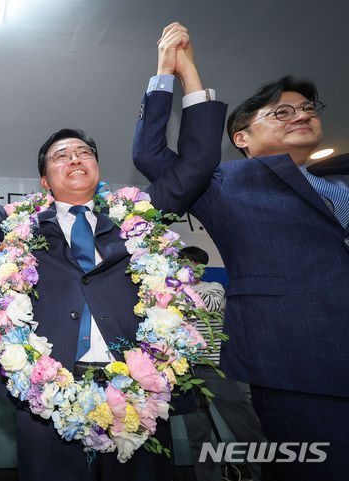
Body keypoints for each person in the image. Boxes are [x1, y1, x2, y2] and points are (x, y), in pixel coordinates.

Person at [0, 70, 226, 479]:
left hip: (136, 388)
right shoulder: (21, 227)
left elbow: (197, 164)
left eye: (83, 152)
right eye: (60, 155)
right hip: (49, 393)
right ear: (44, 181)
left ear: (96, 167)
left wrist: (172, 74)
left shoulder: (137, 216)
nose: (74, 158)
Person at [133, 22, 349, 481]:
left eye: (307, 108)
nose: (301, 115)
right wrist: (178, 72)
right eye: (281, 111)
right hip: (298, 362)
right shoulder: (222, 184)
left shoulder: (340, 183)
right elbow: (153, 155)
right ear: (242, 138)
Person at [179, 246, 264, 481]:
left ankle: (265, 474)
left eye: (195, 264)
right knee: (198, 435)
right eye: (184, 262)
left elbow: (211, 305)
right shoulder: (167, 292)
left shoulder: (213, 288)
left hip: (213, 368)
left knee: (245, 427)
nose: (190, 267)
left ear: (202, 268)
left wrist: (177, 290)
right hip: (184, 372)